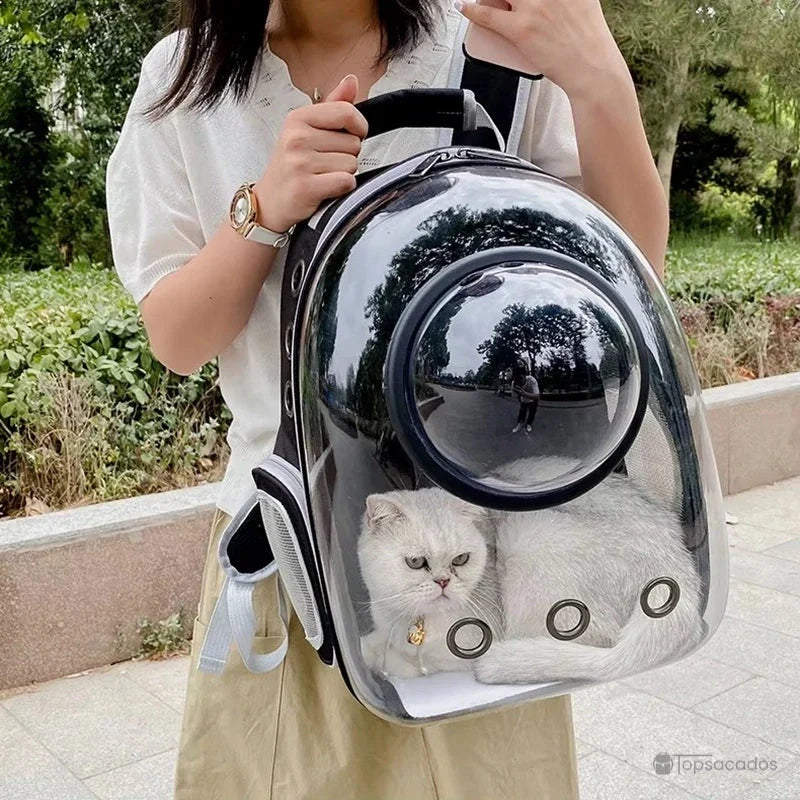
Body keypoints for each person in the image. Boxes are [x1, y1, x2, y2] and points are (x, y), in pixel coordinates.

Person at [105, 0, 668, 797]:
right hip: (290, 561)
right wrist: (262, 209)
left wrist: (601, 79)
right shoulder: (183, 78)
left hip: (479, 571)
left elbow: (632, 278)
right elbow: (178, 340)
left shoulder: (496, 42)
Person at [512, 366, 540, 433]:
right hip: (523, 400)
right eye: (517, 378)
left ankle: (529, 424)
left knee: (532, 412)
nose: (519, 380)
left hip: (533, 400)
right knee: (522, 412)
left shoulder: (531, 380)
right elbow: (515, 396)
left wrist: (524, 394)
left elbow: (537, 396)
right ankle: (520, 424)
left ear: (525, 376)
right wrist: (519, 397)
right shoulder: (514, 383)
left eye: (521, 378)